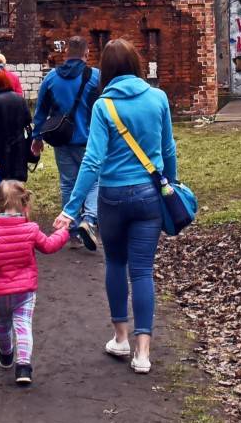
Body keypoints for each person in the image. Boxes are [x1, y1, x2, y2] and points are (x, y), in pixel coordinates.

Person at [57, 37, 177, 375]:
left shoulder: (103, 106)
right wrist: (172, 187)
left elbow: (92, 161)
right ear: (137, 64)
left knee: (115, 264)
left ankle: (120, 338)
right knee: (142, 271)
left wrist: (72, 207)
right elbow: (168, 150)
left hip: (111, 197)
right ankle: (143, 352)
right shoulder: (158, 98)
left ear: (106, 71)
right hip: (149, 197)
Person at [0, 180, 71, 387]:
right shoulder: (30, 229)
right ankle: (23, 366)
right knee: (23, 326)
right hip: (25, 291)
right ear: (25, 205)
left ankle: (6, 356)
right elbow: (49, 246)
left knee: (3, 325)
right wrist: (63, 232)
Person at [32, 36, 101, 249]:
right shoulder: (95, 77)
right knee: (94, 181)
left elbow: (41, 109)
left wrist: (37, 137)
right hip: (89, 140)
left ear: (66, 53)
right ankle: (89, 220)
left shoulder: (51, 78)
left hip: (61, 140)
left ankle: (71, 231)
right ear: (86, 54)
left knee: (67, 183)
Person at [0, 70, 32, 183]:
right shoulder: (20, 99)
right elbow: (28, 121)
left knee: (1, 182)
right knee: (17, 182)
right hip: (19, 147)